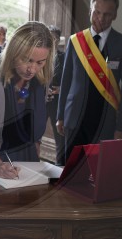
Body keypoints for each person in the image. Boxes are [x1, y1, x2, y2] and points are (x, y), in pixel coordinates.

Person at [56, 0, 122, 163]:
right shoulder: (75, 40)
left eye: (107, 14)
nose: (101, 18)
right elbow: (67, 80)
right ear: (90, 11)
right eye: (97, 12)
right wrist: (60, 116)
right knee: (72, 171)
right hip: (74, 118)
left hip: (106, 121)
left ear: (115, 15)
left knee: (101, 172)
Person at [0, 21, 55, 179]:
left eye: (40, 62)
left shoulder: (42, 77)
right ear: (14, 52)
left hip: (27, 159)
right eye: (27, 60)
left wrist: (37, 146)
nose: (32, 69)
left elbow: (36, 125)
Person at [46, 25, 65, 165]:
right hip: (40, 101)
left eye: (56, 38)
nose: (53, 40)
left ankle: (60, 167)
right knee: (33, 135)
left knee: (60, 137)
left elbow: (71, 79)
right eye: (51, 37)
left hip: (57, 102)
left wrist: (61, 89)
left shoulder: (65, 57)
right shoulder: (37, 55)